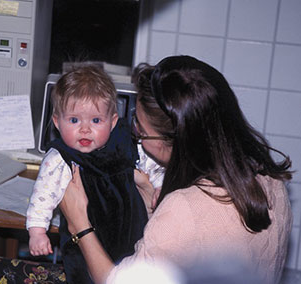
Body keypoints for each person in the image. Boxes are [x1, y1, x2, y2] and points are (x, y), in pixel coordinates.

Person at [58, 55, 293, 284]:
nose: (134, 131)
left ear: (174, 141)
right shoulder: (272, 182)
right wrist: (152, 204)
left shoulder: (183, 208)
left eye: (139, 128)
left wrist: (79, 224)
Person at [26, 64, 163, 283]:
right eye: (74, 120)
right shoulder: (58, 159)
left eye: (96, 120)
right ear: (57, 123)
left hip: (132, 239)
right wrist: (37, 232)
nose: (85, 129)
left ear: (113, 122)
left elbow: (152, 167)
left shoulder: (127, 144)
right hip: (84, 246)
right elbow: (41, 198)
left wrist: (158, 187)